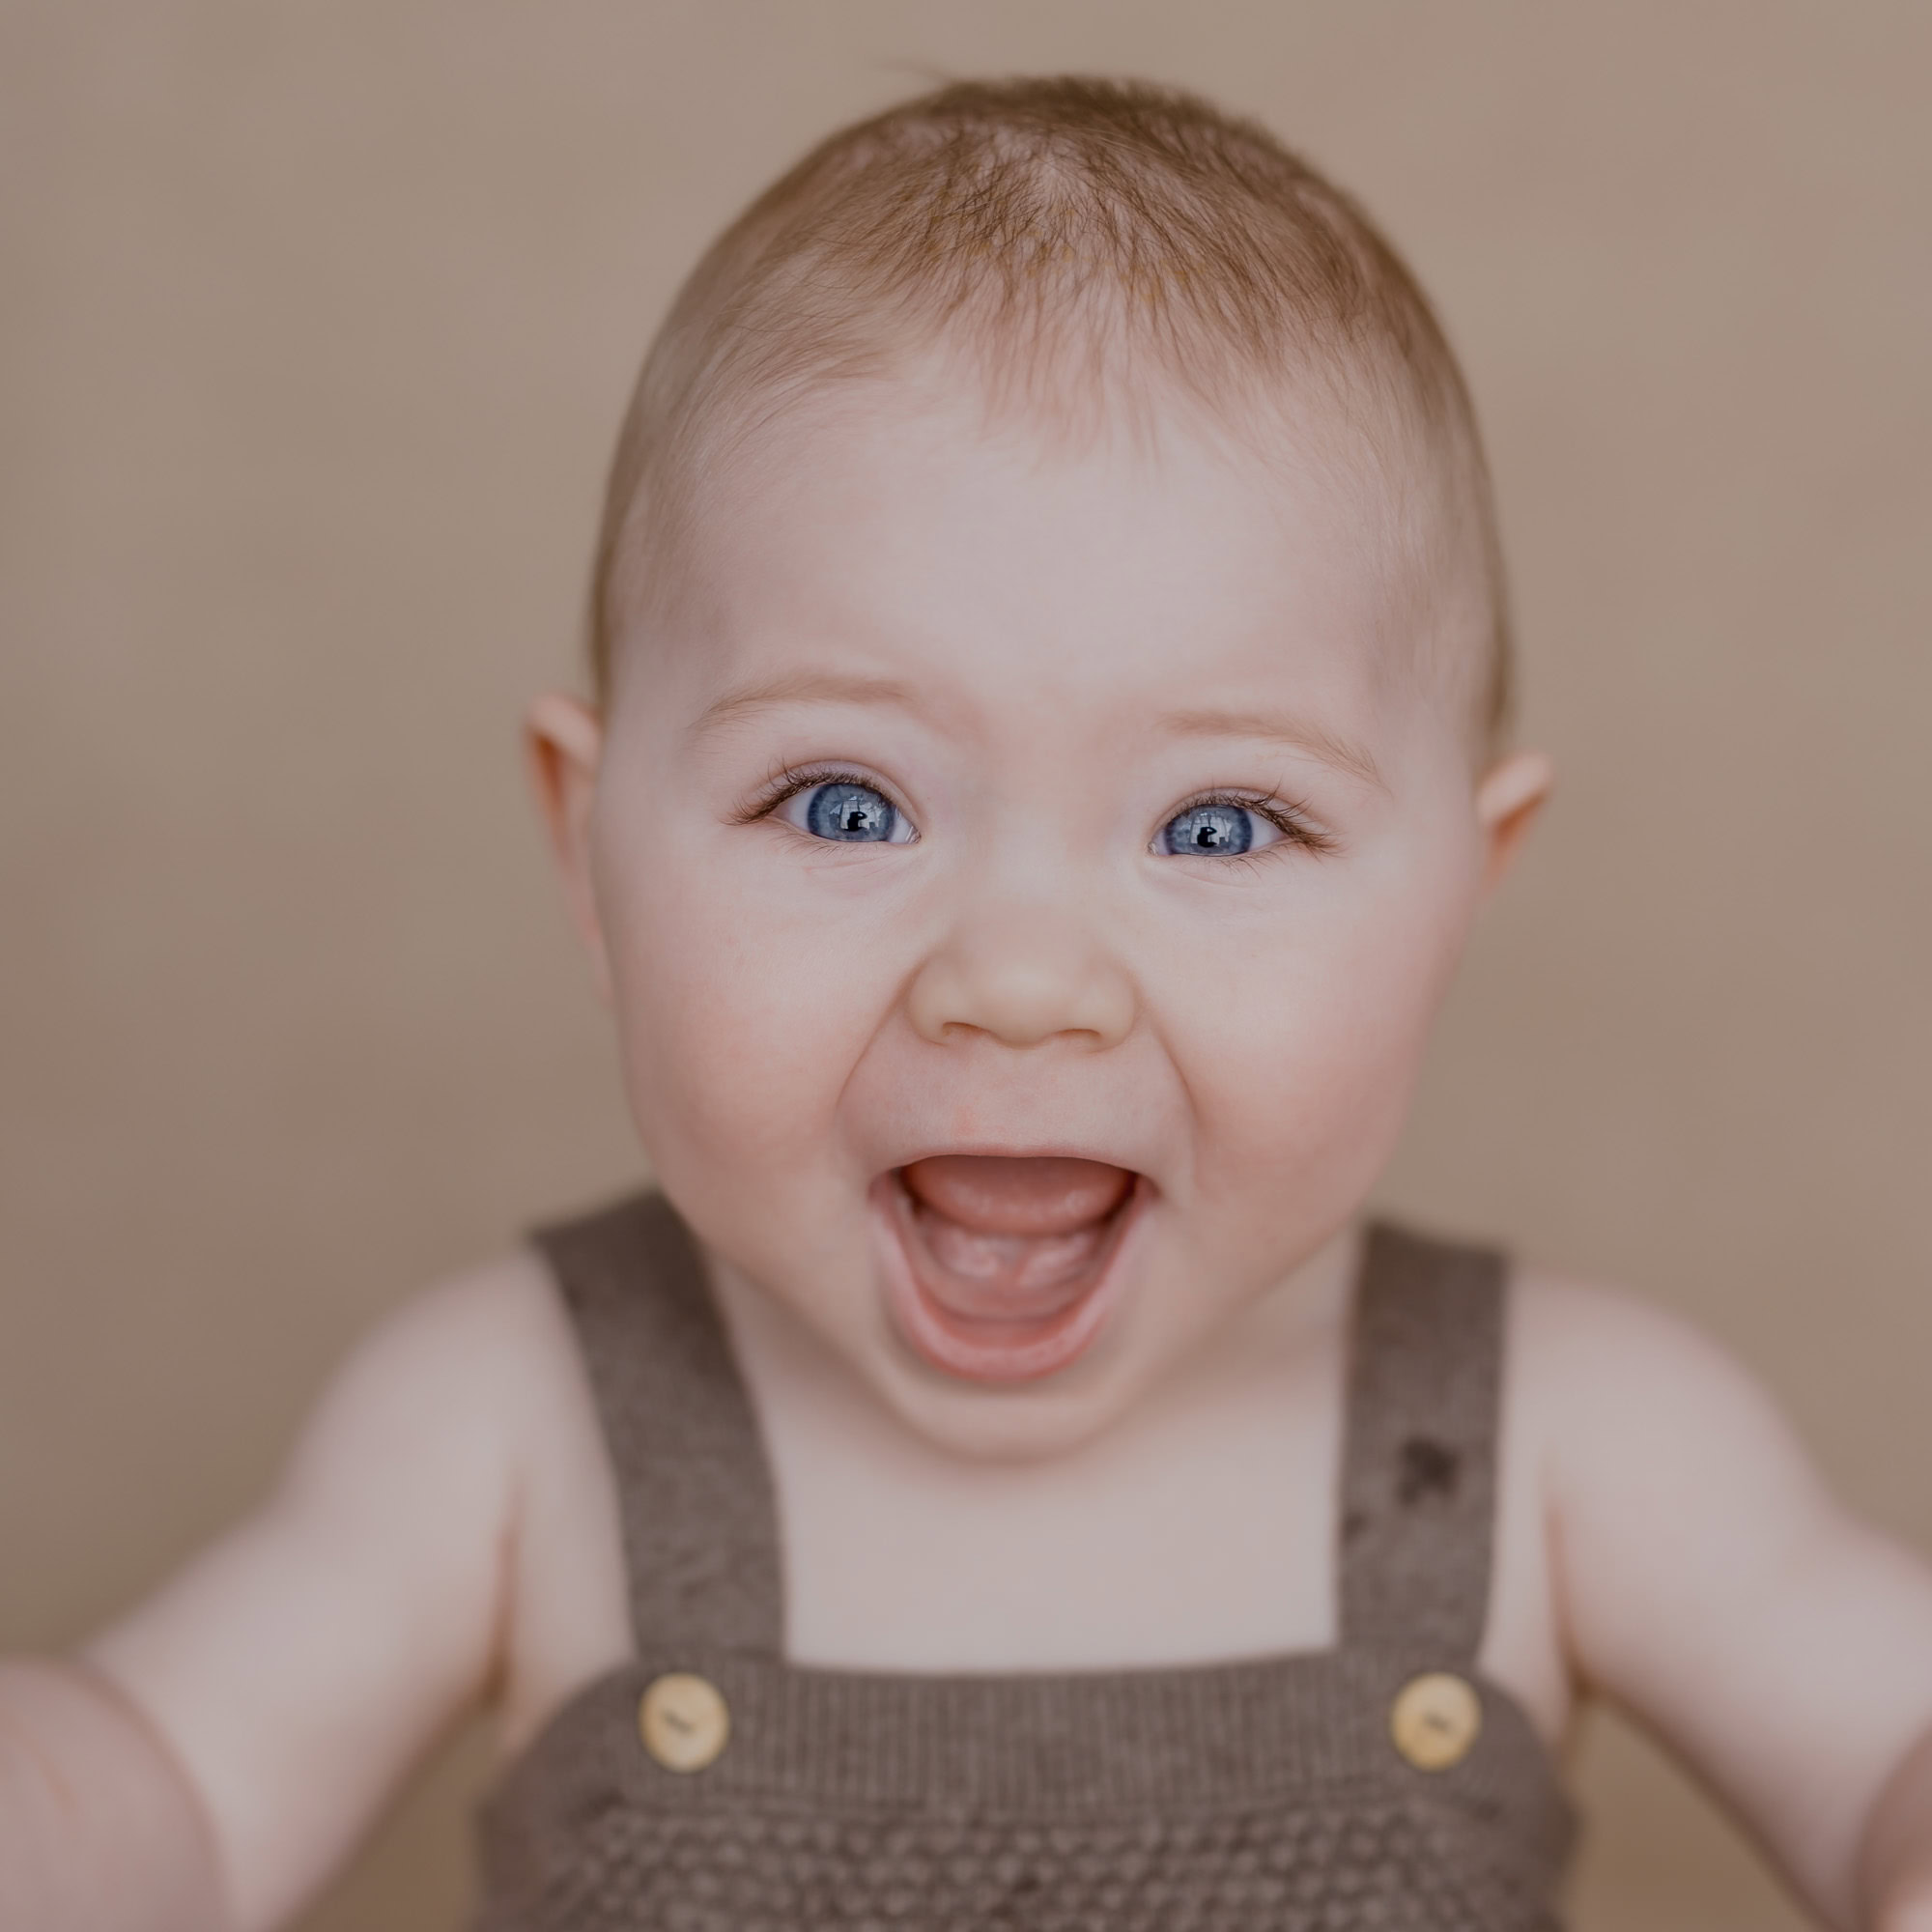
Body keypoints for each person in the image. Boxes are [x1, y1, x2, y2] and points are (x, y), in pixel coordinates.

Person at [4, 75, 1929, 1932]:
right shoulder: (513, 1421)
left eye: (1221, 823)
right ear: (590, 850)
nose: (1018, 983)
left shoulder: (1579, 1442)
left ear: (1459, 893)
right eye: (845, 805)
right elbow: (170, 1795)